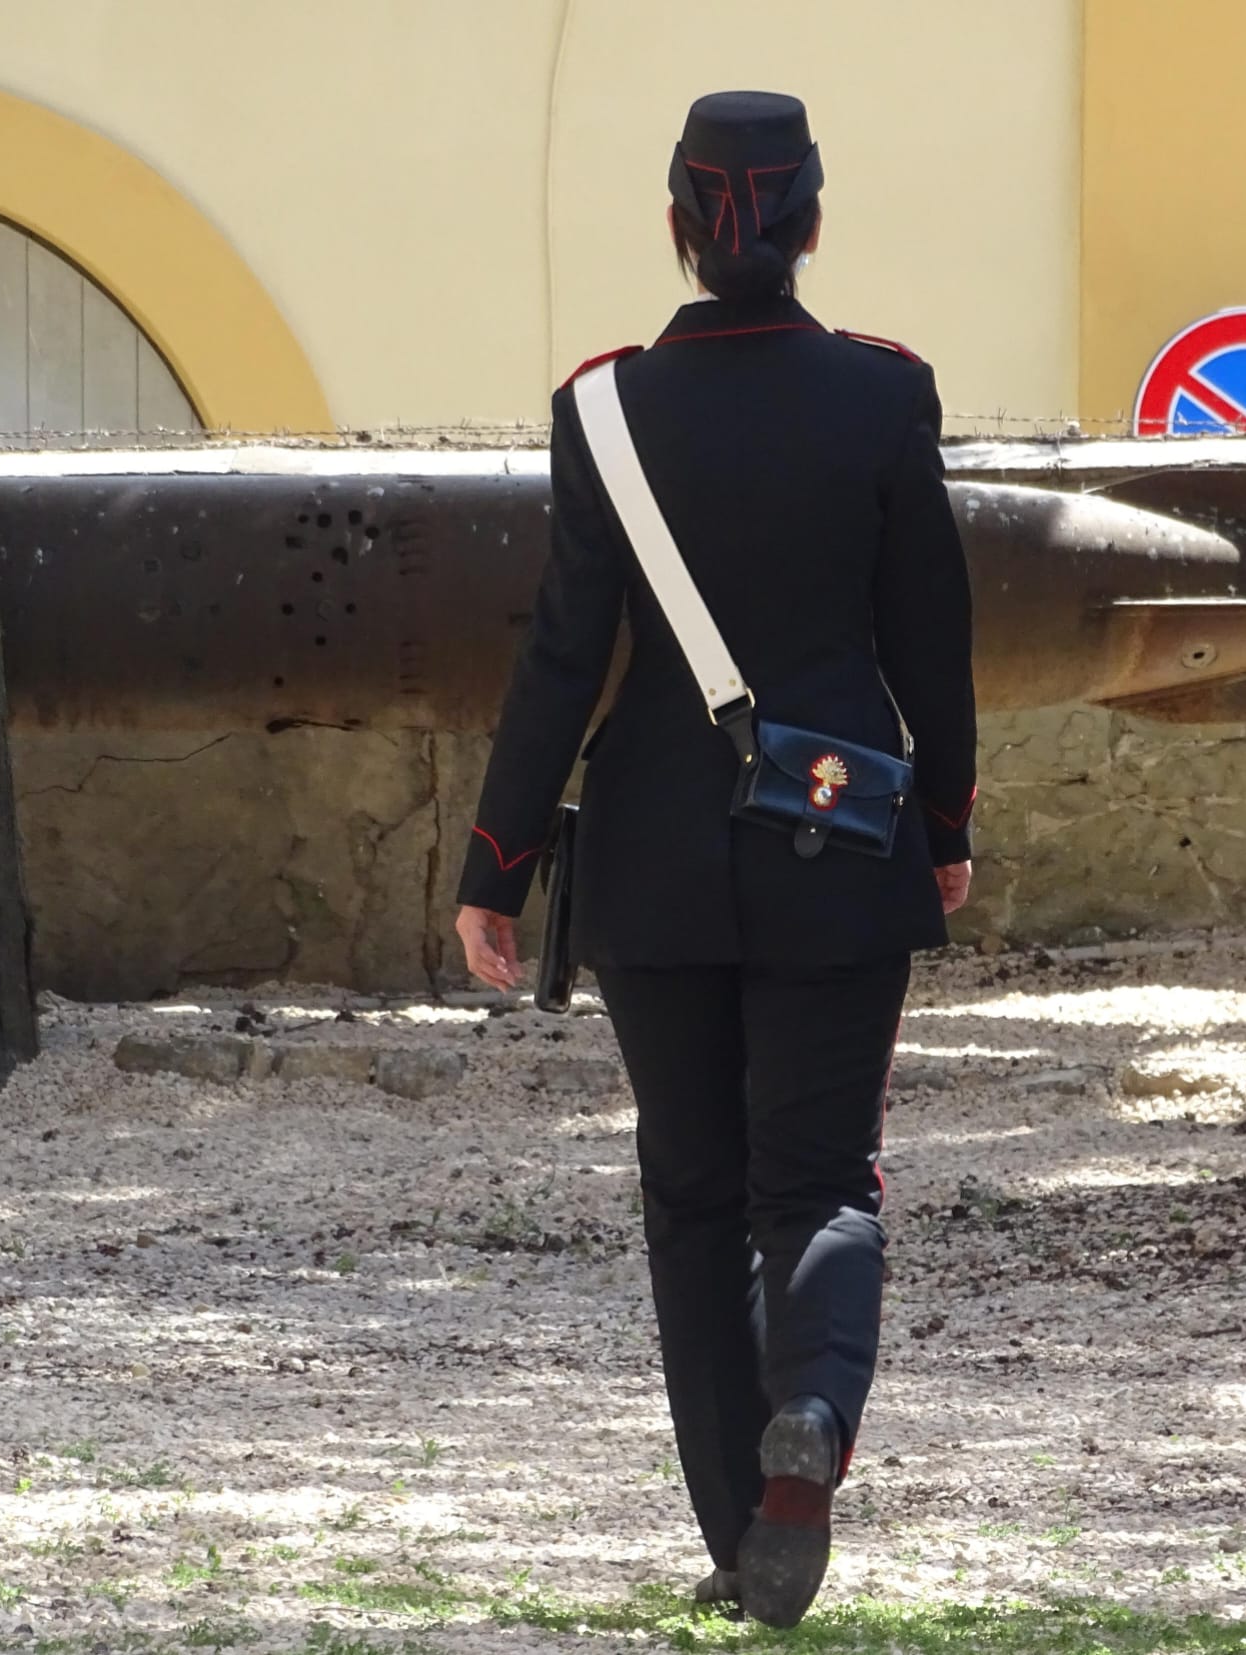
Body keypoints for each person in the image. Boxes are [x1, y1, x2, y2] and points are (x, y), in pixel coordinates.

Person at [453, 91, 977, 1629]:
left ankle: (742, 1538)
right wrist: (941, 824)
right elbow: (927, 640)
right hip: (839, 833)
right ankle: (811, 1412)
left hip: (658, 854)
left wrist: (497, 861)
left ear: (679, 226)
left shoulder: (606, 409)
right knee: (818, 1179)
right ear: (812, 221)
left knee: (690, 1194)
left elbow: (564, 657)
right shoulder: (886, 397)